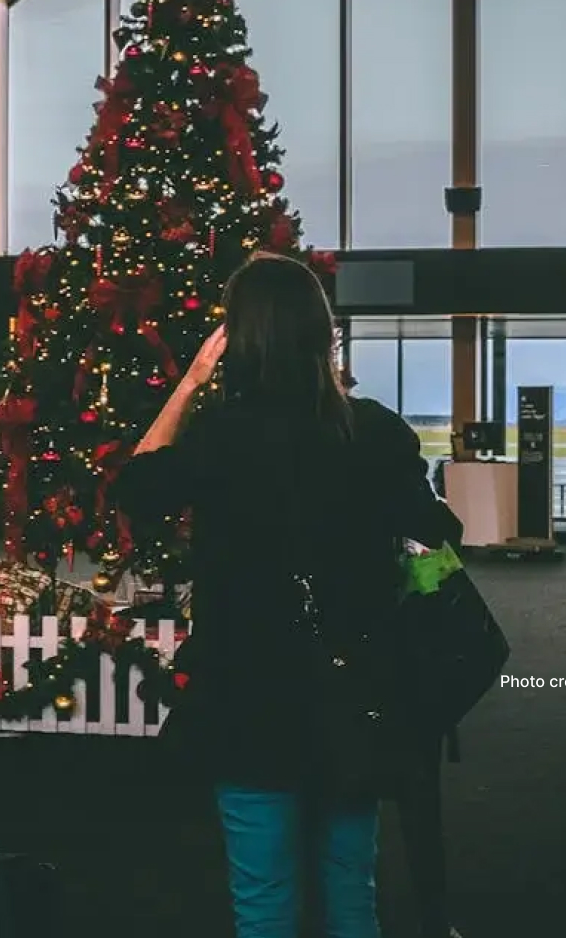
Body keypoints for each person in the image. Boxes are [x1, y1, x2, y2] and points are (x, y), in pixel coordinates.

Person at [114, 252, 454, 938]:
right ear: (323, 336)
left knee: (263, 897)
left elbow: (136, 486)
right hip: (353, 690)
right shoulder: (375, 431)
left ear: (241, 341)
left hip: (247, 698)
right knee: (350, 892)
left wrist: (189, 383)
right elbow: (438, 532)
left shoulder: (219, 438)